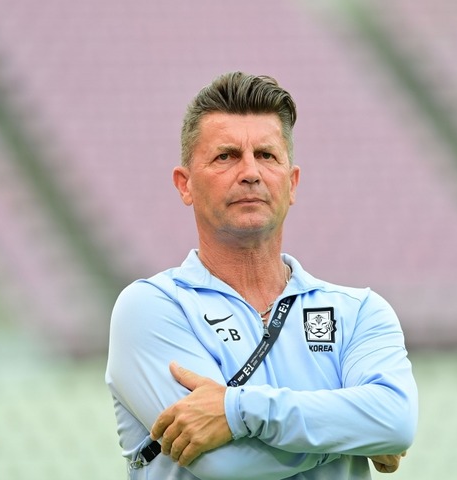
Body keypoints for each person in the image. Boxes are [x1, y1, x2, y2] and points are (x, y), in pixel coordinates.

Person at [105, 72, 417, 479]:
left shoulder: (359, 312)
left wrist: (236, 411)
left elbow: (396, 420)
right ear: (185, 185)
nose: (250, 172)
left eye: (267, 156)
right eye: (226, 156)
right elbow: (227, 464)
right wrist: (355, 432)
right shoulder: (151, 308)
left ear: (292, 183)